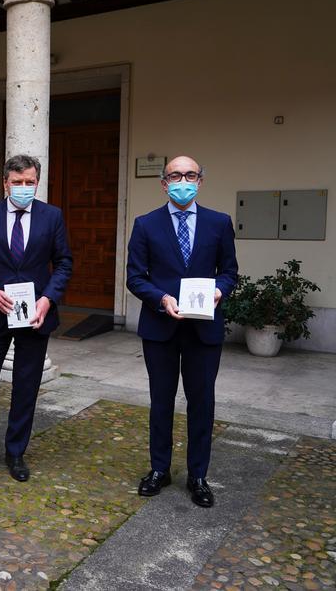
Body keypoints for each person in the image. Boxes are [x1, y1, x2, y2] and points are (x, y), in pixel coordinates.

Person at [127, 156, 238, 508]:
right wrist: (161, 298)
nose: (183, 181)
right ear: (164, 183)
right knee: (161, 401)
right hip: (161, 327)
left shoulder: (219, 223)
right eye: (175, 175)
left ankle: (198, 476)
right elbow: (135, 277)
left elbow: (230, 271)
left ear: (200, 181)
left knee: (201, 402)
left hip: (204, 329)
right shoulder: (145, 224)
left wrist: (220, 290)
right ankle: (159, 469)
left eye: (190, 175)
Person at [0, 154, 73, 482]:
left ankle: (15, 452)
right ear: (5, 183)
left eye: (29, 182)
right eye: (17, 182)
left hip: (35, 315)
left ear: (37, 182)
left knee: (26, 384)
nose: (23, 188)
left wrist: (48, 299)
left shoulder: (52, 217)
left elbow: (64, 263)